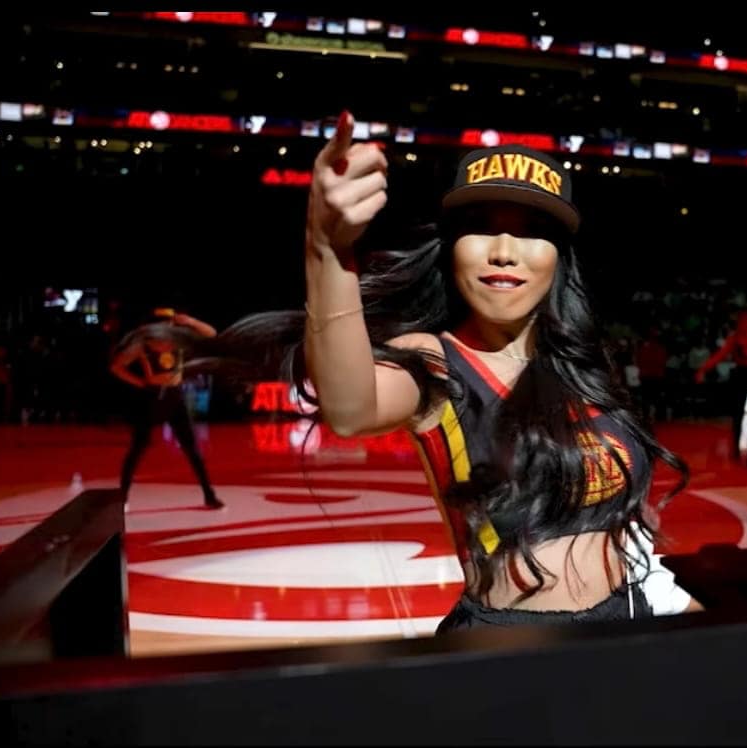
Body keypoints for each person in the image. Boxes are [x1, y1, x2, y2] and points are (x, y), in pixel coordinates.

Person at [284, 111, 697, 630]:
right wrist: (326, 248)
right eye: (481, 227)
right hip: (509, 652)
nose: (504, 252)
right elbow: (349, 408)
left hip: (626, 622)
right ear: (452, 248)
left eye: (532, 232)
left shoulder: (580, 363)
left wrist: (663, 592)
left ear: (558, 258)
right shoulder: (436, 360)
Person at [110, 309, 223, 510]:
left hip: (175, 396)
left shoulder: (179, 341)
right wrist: (139, 383)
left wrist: (191, 321)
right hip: (152, 397)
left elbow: (212, 334)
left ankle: (209, 495)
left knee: (192, 449)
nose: (169, 327)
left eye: (171, 324)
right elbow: (117, 367)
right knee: (138, 448)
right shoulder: (143, 344)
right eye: (165, 324)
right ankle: (123, 496)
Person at [695, 309, 747, 462]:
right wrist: (703, 369)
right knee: (737, 412)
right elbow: (719, 356)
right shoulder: (734, 338)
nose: (745, 324)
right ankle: (735, 447)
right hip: (741, 374)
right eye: (742, 321)